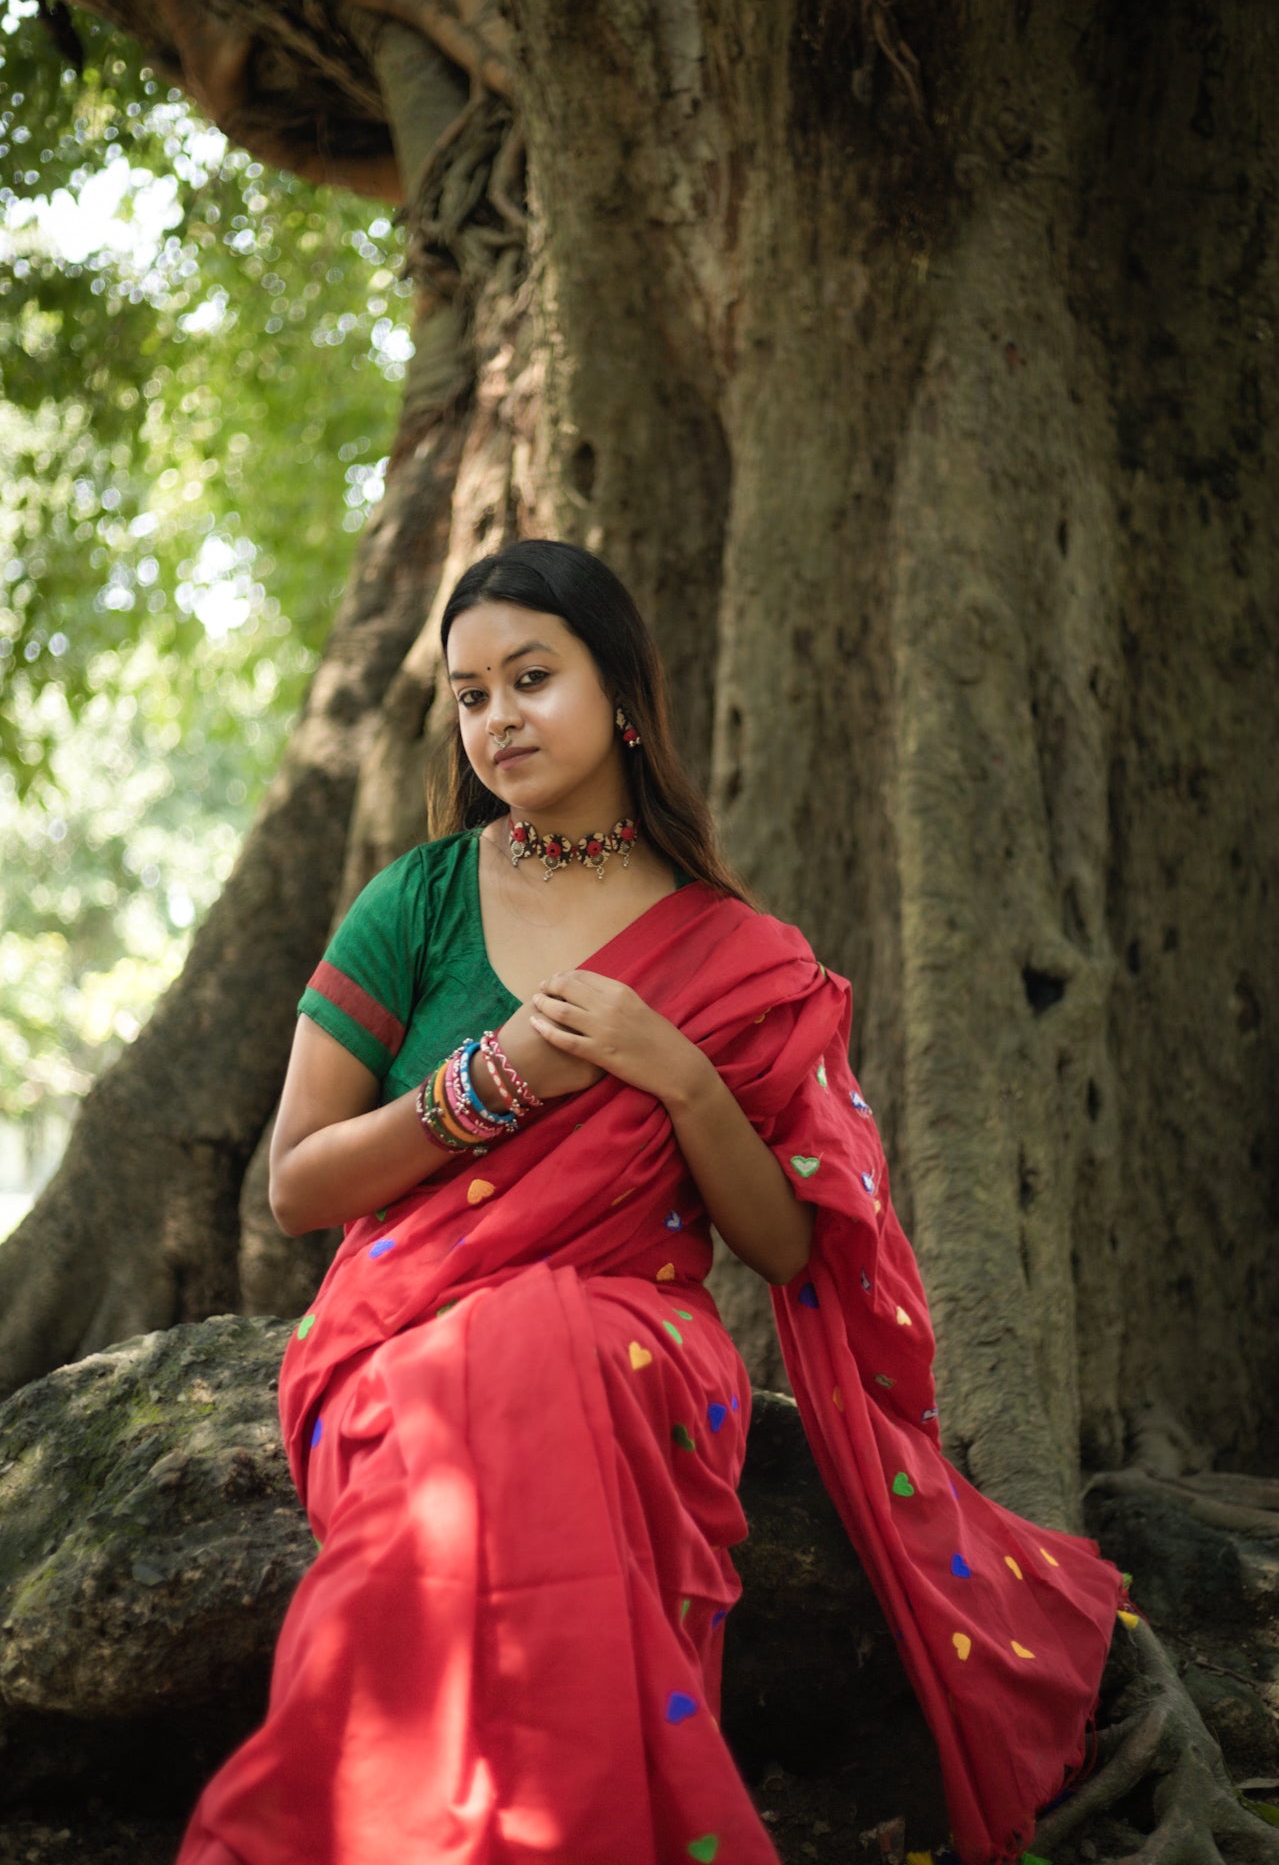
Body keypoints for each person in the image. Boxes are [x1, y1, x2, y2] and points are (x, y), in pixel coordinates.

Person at [177, 541, 1127, 1865]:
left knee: (553, 1346)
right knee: (499, 1357)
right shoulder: (418, 904)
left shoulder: (738, 957)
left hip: (638, 1340)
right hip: (399, 1334)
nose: (498, 720)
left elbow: (785, 1244)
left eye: (531, 679)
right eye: (470, 696)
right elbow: (296, 1184)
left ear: (622, 691)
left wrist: (675, 1070)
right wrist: (487, 1082)